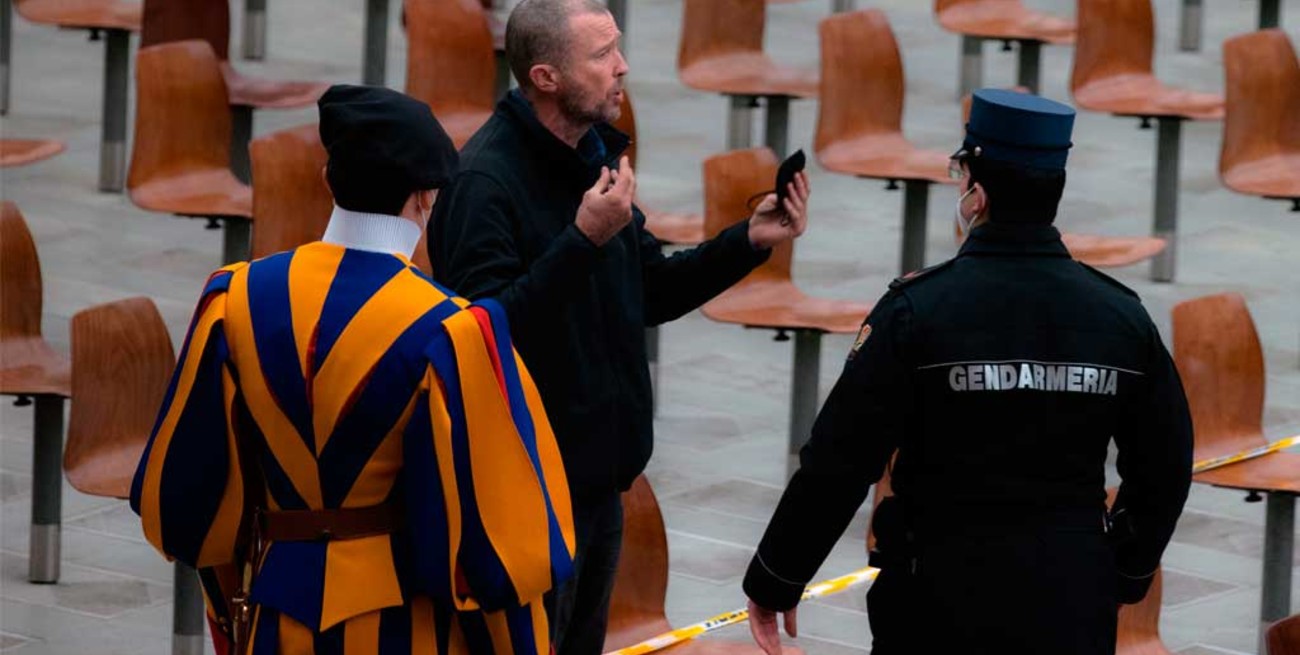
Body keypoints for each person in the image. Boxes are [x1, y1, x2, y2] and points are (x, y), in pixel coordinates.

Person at [740, 89, 1194, 655]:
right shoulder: (1121, 318)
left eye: (961, 174)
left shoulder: (916, 311)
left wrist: (777, 577)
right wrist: (1126, 569)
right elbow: (1166, 463)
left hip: (938, 592)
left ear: (976, 194)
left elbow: (839, 460)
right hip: (1069, 597)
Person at [131, 84, 575, 655]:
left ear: (327, 182)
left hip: (275, 616)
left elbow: (190, 498)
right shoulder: (453, 330)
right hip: (402, 625)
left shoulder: (232, 298)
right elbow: (498, 547)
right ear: (426, 198)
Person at [427, 0, 810, 650]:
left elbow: (650, 287)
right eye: (602, 54)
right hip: (525, 492)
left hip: (600, 489)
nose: (623, 66)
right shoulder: (484, 183)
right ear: (547, 76)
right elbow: (482, 337)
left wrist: (746, 240)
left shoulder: (591, 157)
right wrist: (582, 239)